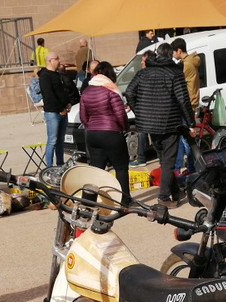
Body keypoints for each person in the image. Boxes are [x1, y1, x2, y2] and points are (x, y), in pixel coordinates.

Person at [124, 42, 194, 204]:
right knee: (168, 161)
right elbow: (183, 99)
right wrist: (191, 123)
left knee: (164, 159)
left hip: (149, 123)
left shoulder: (144, 73)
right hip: (169, 122)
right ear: (170, 55)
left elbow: (129, 92)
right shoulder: (175, 73)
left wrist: (140, 112)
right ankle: (163, 197)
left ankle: (175, 191)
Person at [80, 62, 132, 206]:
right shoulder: (111, 90)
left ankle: (89, 201)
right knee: (121, 167)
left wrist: (91, 126)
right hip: (111, 132)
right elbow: (120, 114)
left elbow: (83, 117)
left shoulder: (86, 91)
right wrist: (124, 128)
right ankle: (124, 201)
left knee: (97, 169)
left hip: (92, 133)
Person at [37, 53, 78, 168]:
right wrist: (60, 109)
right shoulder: (45, 76)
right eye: (57, 59)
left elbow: (62, 92)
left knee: (60, 141)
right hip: (53, 113)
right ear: (50, 61)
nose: (59, 61)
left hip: (63, 111)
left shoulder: (57, 75)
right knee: (52, 141)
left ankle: (60, 164)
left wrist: (68, 103)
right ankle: (49, 167)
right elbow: (49, 95)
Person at [171, 38, 201, 176]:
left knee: (187, 140)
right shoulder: (191, 61)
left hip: (186, 104)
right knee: (185, 140)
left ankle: (191, 168)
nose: (173, 55)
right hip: (191, 102)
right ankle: (186, 167)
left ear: (179, 50)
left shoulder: (186, 65)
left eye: (173, 52)